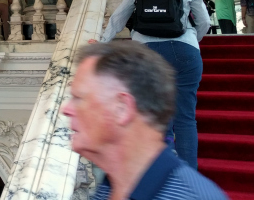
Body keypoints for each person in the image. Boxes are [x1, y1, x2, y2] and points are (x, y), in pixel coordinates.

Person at [62, 41, 227, 200]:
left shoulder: (192, 196)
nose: (66, 109)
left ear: (122, 109)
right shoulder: (108, 188)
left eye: (78, 98)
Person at [98, 0, 210, 169]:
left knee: (156, 120)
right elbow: (204, 21)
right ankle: (187, 183)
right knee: (185, 119)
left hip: (146, 54)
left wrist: (102, 42)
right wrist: (191, 41)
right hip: (185, 53)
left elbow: (119, 18)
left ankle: (163, 180)